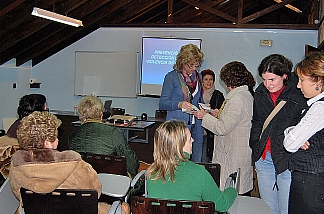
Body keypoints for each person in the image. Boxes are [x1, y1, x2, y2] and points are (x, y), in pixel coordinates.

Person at [9, 111, 115, 214]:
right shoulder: (74, 164)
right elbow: (95, 192)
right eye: (55, 137)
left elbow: (18, 193)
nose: (58, 140)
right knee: (123, 208)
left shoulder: (16, 164)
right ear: (47, 143)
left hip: (35, 211)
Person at [249, 54, 307, 214]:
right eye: (264, 79)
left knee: (286, 208)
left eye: (272, 79)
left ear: (285, 76)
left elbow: (305, 123)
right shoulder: (260, 93)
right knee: (268, 207)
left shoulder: (299, 93)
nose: (267, 84)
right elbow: (257, 122)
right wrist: (255, 145)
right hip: (264, 157)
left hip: (287, 158)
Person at [146, 120, 237, 213]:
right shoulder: (199, 173)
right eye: (189, 139)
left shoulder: (152, 173)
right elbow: (222, 205)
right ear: (180, 145)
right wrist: (232, 190)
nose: (193, 140)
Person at [194, 61, 255, 194]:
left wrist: (204, 117)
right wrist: (217, 114)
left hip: (233, 154)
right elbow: (233, 121)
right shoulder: (244, 95)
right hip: (237, 151)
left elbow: (223, 128)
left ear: (229, 80)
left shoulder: (237, 98)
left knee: (233, 194)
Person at [283, 52, 324, 214]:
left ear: (318, 81)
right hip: (310, 179)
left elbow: (290, 144)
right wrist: (292, 130)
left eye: (302, 80)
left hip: (312, 181)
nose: (298, 85)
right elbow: (294, 134)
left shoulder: (319, 108)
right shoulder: (314, 105)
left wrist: (294, 133)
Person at [68, 96, 139, 178]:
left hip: (83, 184)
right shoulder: (113, 133)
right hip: (112, 186)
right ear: (101, 115)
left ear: (80, 116)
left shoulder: (73, 136)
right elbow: (132, 164)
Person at [159, 43, 205, 162]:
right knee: (178, 162)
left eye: (197, 65)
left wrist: (205, 107)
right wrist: (179, 104)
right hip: (179, 128)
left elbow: (199, 99)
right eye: (191, 65)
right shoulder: (171, 77)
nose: (194, 69)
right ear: (183, 62)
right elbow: (163, 103)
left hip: (197, 126)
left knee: (196, 163)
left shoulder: (198, 77)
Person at [200, 69, 225, 162]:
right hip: (198, 130)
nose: (209, 82)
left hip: (211, 132)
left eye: (211, 79)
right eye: (206, 79)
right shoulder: (197, 94)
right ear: (201, 81)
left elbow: (222, 113)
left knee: (207, 158)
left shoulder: (218, 95)